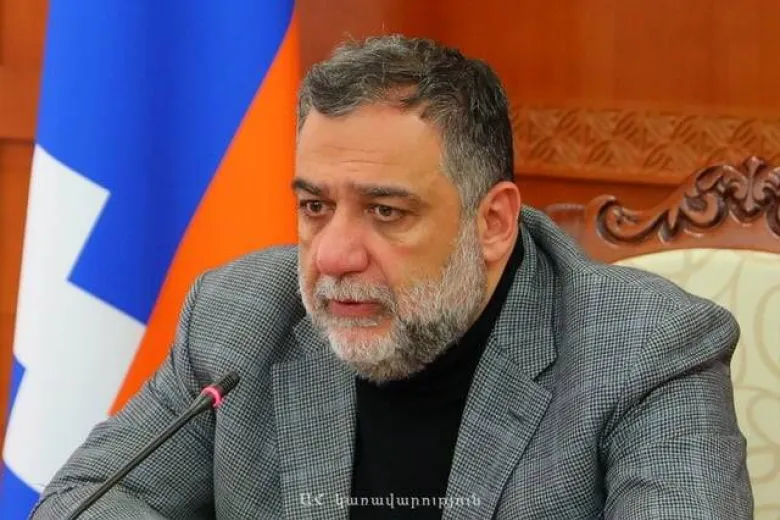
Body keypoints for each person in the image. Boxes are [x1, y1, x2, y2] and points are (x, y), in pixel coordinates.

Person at [31, 35, 752, 520]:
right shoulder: (239, 316)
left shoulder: (644, 350)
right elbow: (79, 502)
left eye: (386, 211)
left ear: (493, 222)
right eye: (315, 207)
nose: (333, 256)